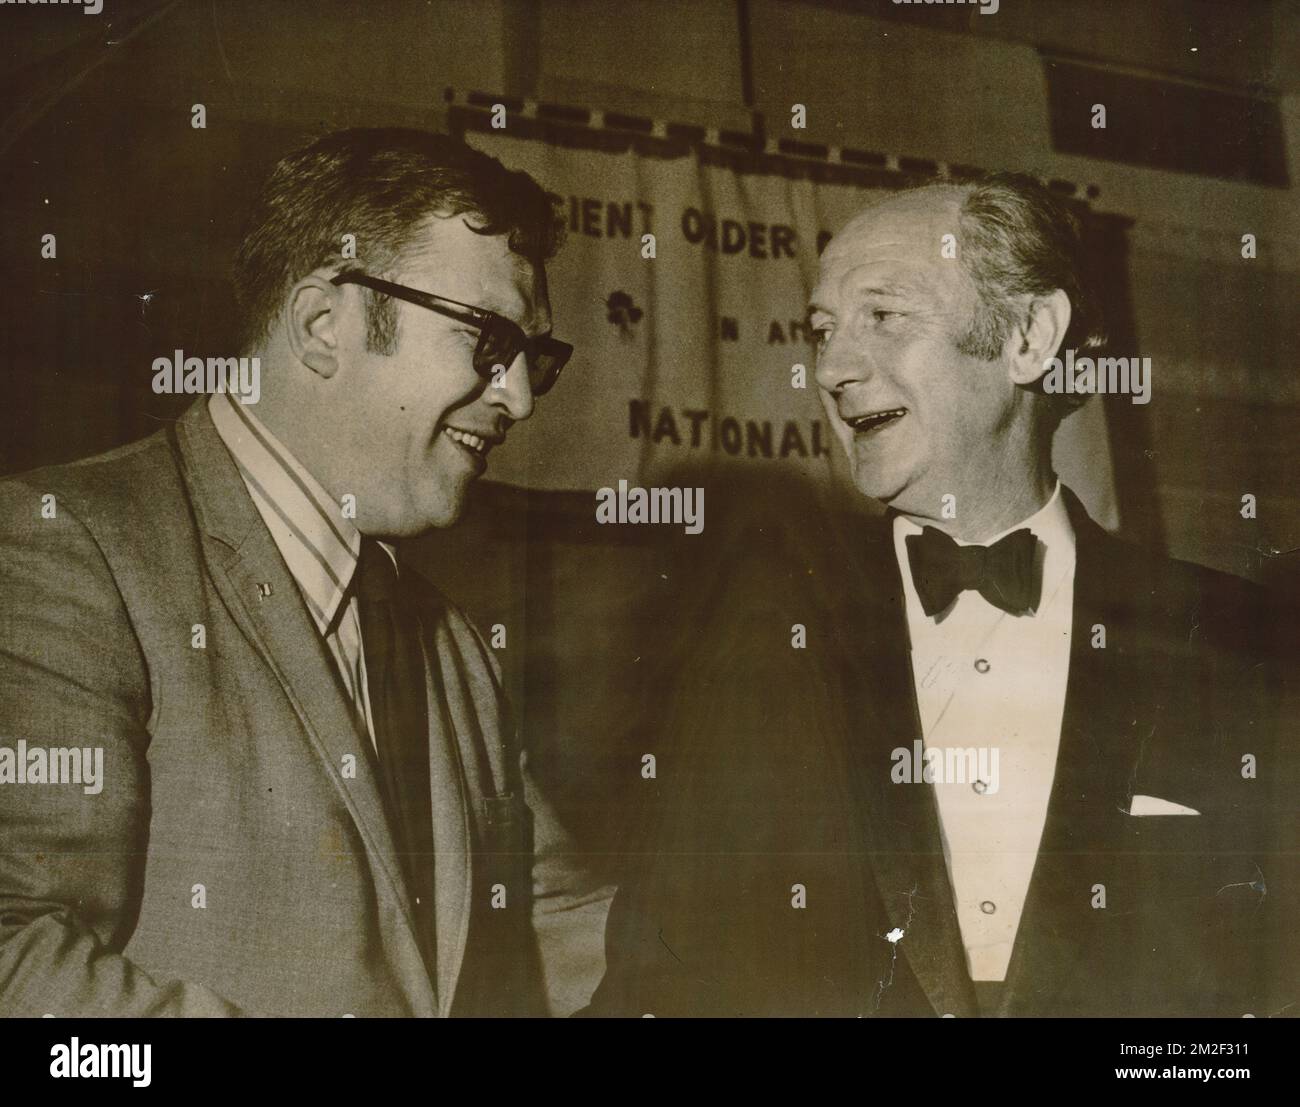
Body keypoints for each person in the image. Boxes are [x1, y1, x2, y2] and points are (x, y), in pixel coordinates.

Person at [588, 173, 1295, 1017]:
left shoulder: (1234, 637)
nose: (835, 368)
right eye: (822, 331)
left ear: (1030, 336)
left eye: (884, 316)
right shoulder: (754, 641)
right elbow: (656, 976)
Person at [0, 127, 609, 1017]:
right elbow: (14, 956)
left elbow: (546, 926)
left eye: (533, 360)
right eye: (486, 340)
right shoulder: (67, 553)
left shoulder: (449, 642)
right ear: (325, 325)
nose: (517, 395)